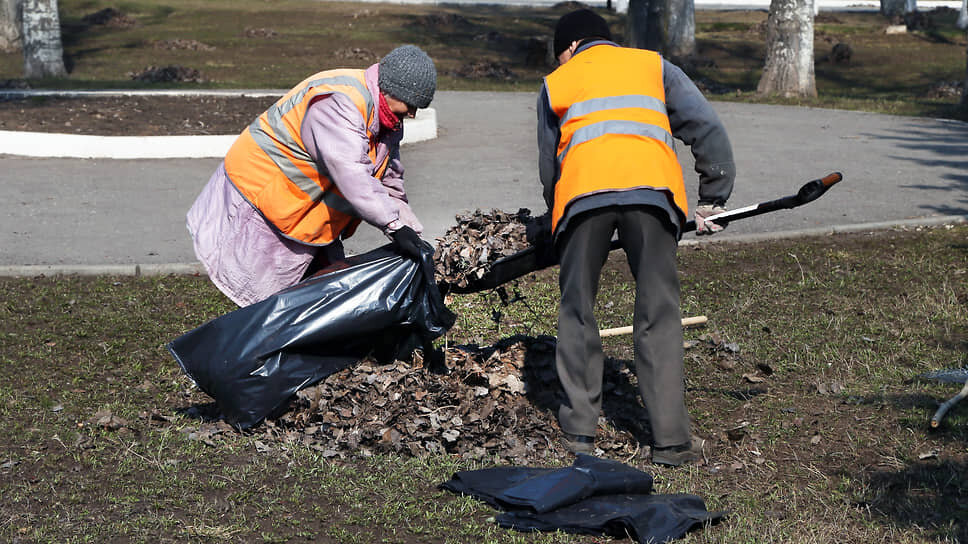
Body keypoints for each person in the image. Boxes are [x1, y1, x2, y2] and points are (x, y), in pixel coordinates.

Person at [537, 9, 735, 466]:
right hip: (652, 195)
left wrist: (557, 218)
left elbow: (550, 165)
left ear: (568, 48)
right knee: (658, 312)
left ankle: (580, 432)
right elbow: (706, 127)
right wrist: (714, 194)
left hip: (582, 196)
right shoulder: (653, 65)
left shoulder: (557, 81)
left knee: (577, 309)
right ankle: (670, 441)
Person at [186, 45, 435, 307]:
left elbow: (389, 181)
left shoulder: (388, 121)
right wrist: (394, 227)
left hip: (301, 213)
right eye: (412, 104)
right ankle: (241, 344)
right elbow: (352, 172)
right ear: (393, 89)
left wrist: (411, 232)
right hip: (261, 197)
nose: (412, 114)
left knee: (316, 293)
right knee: (262, 301)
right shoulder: (342, 102)